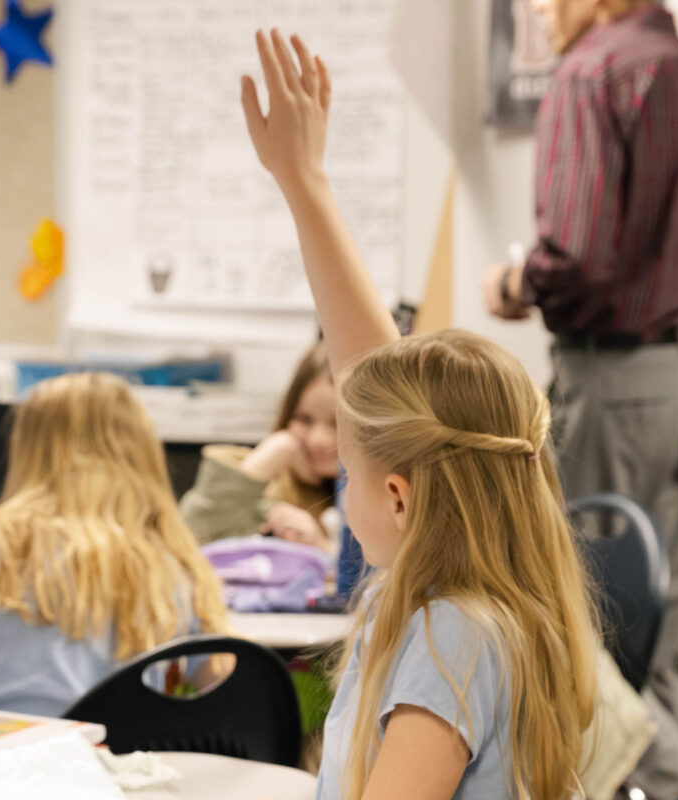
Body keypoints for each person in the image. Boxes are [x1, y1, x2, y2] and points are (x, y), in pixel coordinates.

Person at [240, 29, 599, 800]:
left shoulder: (449, 634)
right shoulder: (495, 603)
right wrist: (305, 185)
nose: (344, 487)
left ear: (400, 497)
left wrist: (307, 185)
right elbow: (376, 388)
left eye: (350, 472)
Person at [483, 0, 678, 796]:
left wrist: (510, 284)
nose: (538, 11)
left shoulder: (589, 75)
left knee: (575, 634)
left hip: (613, 382)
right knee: (658, 635)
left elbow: (573, 258)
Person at [0, 372, 229, 716]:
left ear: (27, 448)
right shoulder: (172, 564)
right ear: (142, 453)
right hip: (118, 763)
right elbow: (222, 690)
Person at [180, 340, 340, 554]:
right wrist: (277, 451)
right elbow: (197, 535)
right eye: (304, 419)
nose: (318, 440)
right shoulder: (275, 490)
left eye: (337, 423)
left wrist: (325, 550)